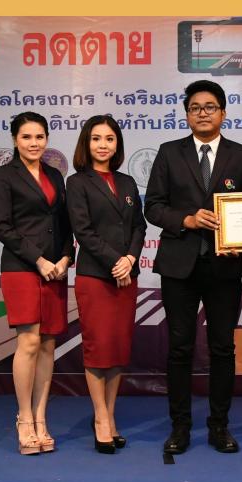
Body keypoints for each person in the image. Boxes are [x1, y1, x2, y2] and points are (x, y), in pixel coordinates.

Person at [144, 80, 242, 454]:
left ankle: (219, 426)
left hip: (225, 266)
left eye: (210, 107)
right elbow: (153, 207)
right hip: (179, 266)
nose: (202, 113)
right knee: (180, 348)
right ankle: (180, 427)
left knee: (223, 348)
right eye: (195, 107)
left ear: (223, 113)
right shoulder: (169, 152)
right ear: (186, 114)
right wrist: (187, 220)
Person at [0, 111, 74, 455]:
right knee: (29, 341)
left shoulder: (54, 175)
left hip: (55, 269)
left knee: (48, 344)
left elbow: (66, 224)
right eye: (26, 137)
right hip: (21, 266)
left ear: (47, 139)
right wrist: (38, 260)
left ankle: (41, 418)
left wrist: (66, 258)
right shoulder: (4, 176)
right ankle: (24, 418)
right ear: (15, 140)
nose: (34, 143)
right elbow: (2, 227)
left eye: (39, 136)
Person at [66, 115, 146, 454]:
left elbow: (139, 226)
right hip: (96, 277)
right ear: (86, 143)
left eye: (109, 139)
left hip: (127, 277)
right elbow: (83, 231)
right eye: (96, 138)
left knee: (117, 350)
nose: (103, 145)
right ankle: (100, 417)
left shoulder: (127, 182)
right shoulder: (77, 182)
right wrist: (116, 262)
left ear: (117, 144)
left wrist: (130, 258)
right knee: (98, 349)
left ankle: (110, 415)